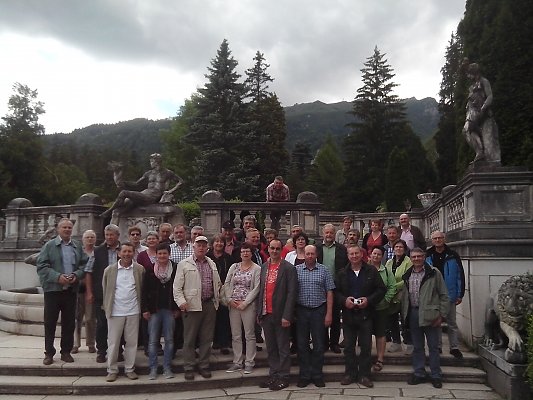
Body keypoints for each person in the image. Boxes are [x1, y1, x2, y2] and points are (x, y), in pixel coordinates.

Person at [37, 218, 88, 365]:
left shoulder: (77, 246)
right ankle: (49, 353)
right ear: (58, 229)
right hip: (53, 290)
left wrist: (76, 275)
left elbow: (84, 265)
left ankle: (66, 351)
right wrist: (57, 277)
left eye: (69, 227)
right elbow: (41, 266)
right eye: (64, 227)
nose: (67, 230)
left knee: (69, 323)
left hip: (70, 291)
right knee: (50, 323)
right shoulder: (49, 246)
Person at [335, 245, 386, 388]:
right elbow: (336, 292)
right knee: (349, 347)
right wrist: (344, 300)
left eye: (356, 253)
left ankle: (364, 375)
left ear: (361, 254)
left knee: (366, 346)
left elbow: (381, 289)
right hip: (348, 315)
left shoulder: (371, 271)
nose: (354, 256)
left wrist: (369, 300)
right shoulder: (342, 273)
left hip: (366, 314)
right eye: (351, 254)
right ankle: (350, 374)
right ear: (348, 256)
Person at [173, 235, 222, 381]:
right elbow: (176, 287)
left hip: (209, 304)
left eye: (204, 245)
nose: (201, 248)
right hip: (191, 306)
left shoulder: (211, 263)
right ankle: (189, 367)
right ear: (193, 246)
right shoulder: (184, 264)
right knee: (189, 338)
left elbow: (217, 283)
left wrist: (218, 299)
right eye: (198, 245)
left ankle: (204, 365)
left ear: (207, 248)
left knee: (207, 338)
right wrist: (181, 302)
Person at [402, 247, 449, 389]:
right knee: (417, 346)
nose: (416, 259)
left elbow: (444, 295)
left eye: (419, 256)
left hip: (431, 314)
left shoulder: (434, 273)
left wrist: (442, 315)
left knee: (433, 347)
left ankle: (436, 375)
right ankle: (419, 372)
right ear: (410, 258)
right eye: (414, 257)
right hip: (413, 313)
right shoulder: (407, 274)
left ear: (424, 257)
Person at [256, 239, 298, 391]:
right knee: (271, 347)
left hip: (281, 315)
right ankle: (273, 374)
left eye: (277, 249)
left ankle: (284, 376)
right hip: (266, 313)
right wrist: (259, 312)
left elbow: (292, 293)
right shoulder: (264, 267)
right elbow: (261, 290)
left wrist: (287, 315)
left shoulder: (288, 268)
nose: (274, 251)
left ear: (281, 250)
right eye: (272, 248)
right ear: (268, 249)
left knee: (283, 347)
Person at [102, 242, 145, 382]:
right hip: (115, 311)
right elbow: (105, 290)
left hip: (133, 310)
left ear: (134, 253)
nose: (127, 254)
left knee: (131, 342)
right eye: (124, 251)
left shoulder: (139, 269)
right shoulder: (110, 270)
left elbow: (142, 289)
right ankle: (112, 370)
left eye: (129, 251)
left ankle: (129, 369)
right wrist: (107, 307)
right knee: (113, 343)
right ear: (119, 253)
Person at [295, 245, 335, 388]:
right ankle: (305, 375)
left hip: (319, 310)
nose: (310, 256)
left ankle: (317, 375)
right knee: (302, 344)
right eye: (307, 254)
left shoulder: (324, 270)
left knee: (319, 345)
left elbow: (330, 292)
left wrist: (329, 314)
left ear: (316, 255)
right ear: (304, 255)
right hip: (301, 311)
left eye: (312, 253)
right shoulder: (296, 270)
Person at [100, 153, 184, 219]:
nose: (150, 163)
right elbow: (136, 184)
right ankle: (116, 215)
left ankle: (108, 212)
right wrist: (122, 181)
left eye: (151, 161)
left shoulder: (167, 172)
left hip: (153, 196)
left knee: (124, 193)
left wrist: (170, 191)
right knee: (127, 203)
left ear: (157, 161)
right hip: (144, 194)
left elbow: (181, 182)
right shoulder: (148, 173)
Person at [425, 231, 465, 359]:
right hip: (433, 293)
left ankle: (454, 347)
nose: (437, 240)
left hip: (449, 292)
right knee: (436, 322)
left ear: (444, 239)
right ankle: (438, 346)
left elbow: (460, 275)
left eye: (440, 238)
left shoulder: (453, 255)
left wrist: (460, 294)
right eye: (435, 238)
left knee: (451, 322)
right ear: (432, 240)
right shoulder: (428, 255)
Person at [85, 224, 121, 363]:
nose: (109, 237)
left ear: (117, 236)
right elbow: (88, 272)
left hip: (120, 294)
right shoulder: (97, 251)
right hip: (102, 294)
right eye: (107, 235)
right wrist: (89, 292)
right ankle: (101, 351)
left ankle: (118, 350)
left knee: (119, 324)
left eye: (111, 235)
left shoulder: (124, 250)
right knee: (102, 324)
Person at [223, 242, 261, 374]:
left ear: (251, 253)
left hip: (248, 306)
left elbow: (257, 288)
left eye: (247, 251)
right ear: (240, 254)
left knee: (249, 335)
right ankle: (237, 362)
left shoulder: (256, 269)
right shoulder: (234, 267)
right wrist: (229, 299)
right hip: (233, 305)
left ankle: (250, 362)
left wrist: (245, 303)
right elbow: (227, 283)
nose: (245, 253)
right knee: (236, 335)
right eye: (243, 251)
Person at [142, 243, 179, 380]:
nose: (162, 256)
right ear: (156, 255)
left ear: (169, 254)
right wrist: (145, 309)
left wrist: (177, 308)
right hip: (154, 310)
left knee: (169, 340)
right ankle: (153, 368)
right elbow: (144, 291)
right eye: (160, 253)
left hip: (170, 310)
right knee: (152, 341)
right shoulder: (150, 269)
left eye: (165, 253)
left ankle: (167, 367)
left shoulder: (175, 268)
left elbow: (179, 288)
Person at [316, 223, 348, 354]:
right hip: (320, 287)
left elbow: (345, 267)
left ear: (335, 234)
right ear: (323, 234)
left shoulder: (341, 249)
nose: (329, 235)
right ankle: (324, 342)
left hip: (336, 287)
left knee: (335, 316)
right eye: (327, 232)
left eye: (331, 233)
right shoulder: (317, 248)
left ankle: (334, 343)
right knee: (321, 315)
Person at [462, 62, 501, 163]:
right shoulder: (472, 87)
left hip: (485, 115)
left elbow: (490, 96)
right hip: (475, 116)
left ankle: (493, 163)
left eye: (469, 73)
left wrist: (483, 108)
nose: (468, 76)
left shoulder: (484, 81)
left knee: (489, 147)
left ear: (474, 72)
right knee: (466, 130)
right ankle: (479, 152)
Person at [369, 246, 396, 373]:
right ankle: (366, 357)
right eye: (374, 253)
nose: (376, 256)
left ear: (382, 256)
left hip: (381, 307)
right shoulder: (365, 269)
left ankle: (380, 359)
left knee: (380, 333)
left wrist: (386, 299)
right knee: (366, 334)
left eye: (379, 254)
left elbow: (392, 286)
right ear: (370, 254)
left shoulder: (386, 271)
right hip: (367, 307)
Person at [207, 234, 233, 355]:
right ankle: (213, 341)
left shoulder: (228, 258)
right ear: (212, 244)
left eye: (221, 241)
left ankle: (223, 343)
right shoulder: (207, 257)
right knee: (211, 319)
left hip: (223, 291)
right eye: (216, 241)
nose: (219, 244)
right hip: (210, 291)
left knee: (223, 318)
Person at [385, 239, 413, 353]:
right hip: (392, 295)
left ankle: (409, 342)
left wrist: (394, 286)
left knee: (405, 319)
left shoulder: (408, 261)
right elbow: (386, 276)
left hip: (403, 294)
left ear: (405, 249)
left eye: (401, 247)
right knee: (392, 319)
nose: (398, 249)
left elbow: (407, 277)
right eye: (396, 247)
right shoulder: (389, 262)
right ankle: (396, 342)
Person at [136, 230, 160, 356]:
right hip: (146, 290)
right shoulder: (141, 255)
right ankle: (147, 346)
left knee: (158, 320)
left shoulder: (161, 252)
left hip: (159, 290)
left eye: (154, 238)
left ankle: (157, 345)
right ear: (146, 241)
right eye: (149, 238)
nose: (151, 240)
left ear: (158, 240)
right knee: (146, 320)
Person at [73, 229, 97, 354]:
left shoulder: (98, 252)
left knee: (90, 318)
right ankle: (75, 344)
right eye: (87, 237)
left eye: (92, 237)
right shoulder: (77, 252)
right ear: (83, 239)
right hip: (77, 288)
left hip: (91, 289)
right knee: (76, 317)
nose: (90, 239)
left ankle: (91, 343)